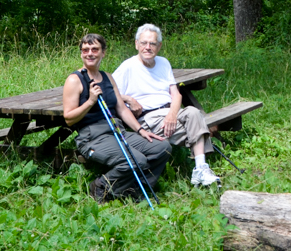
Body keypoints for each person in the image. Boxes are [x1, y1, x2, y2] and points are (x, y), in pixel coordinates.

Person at [63, 33, 171, 203]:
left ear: (103, 53)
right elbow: (69, 118)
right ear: (81, 53)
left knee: (162, 147)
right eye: (85, 50)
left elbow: (121, 109)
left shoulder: (107, 77)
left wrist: (141, 130)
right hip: (92, 137)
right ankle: (101, 186)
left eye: (95, 49)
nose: (90, 53)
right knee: (136, 160)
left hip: (117, 130)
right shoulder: (75, 80)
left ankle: (134, 189)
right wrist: (90, 101)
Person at [113, 24, 220, 187]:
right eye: (143, 43)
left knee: (193, 112)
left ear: (159, 46)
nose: (147, 47)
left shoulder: (163, 63)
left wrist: (171, 115)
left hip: (169, 112)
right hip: (148, 117)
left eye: (152, 44)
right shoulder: (128, 66)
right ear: (136, 44)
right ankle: (201, 168)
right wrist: (128, 99)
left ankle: (200, 169)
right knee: (199, 127)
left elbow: (176, 94)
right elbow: (108, 91)